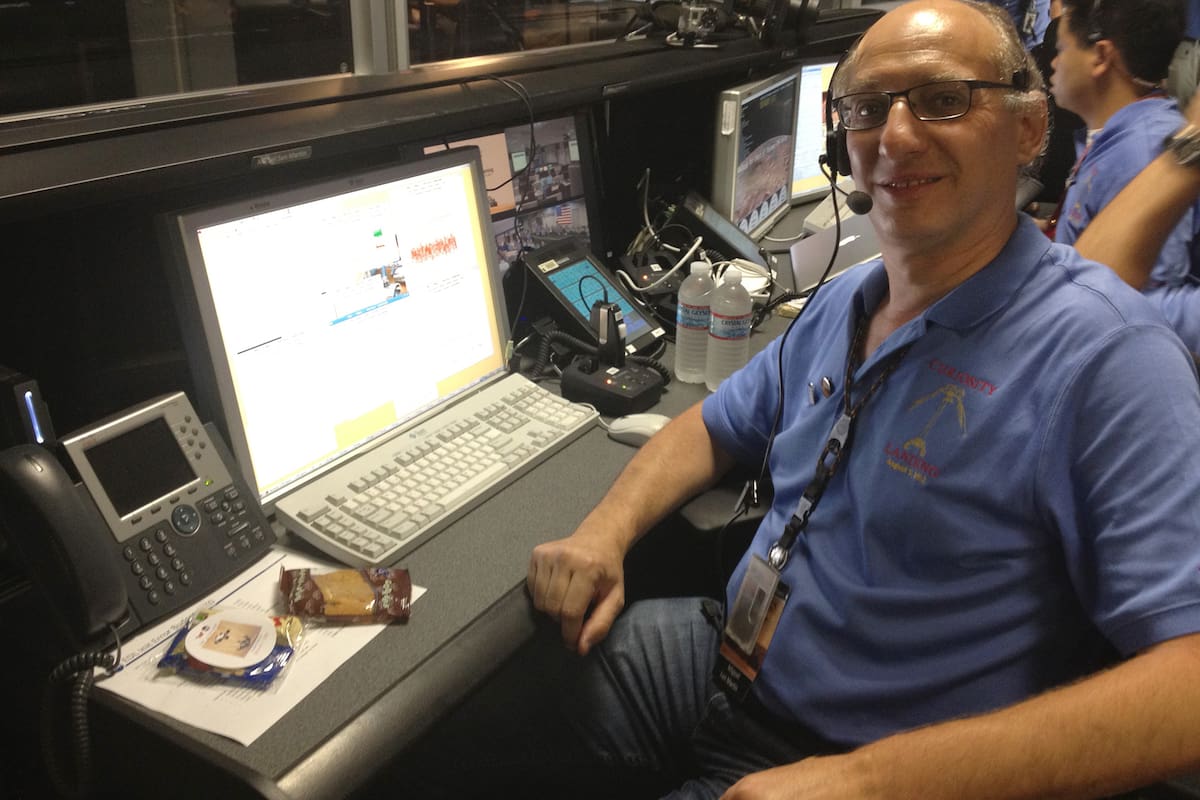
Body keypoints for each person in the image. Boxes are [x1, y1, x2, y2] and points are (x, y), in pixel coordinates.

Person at [525, 0, 1200, 797]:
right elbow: (710, 425)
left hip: (864, 759)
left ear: (1025, 130)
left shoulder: (1108, 357)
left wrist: (869, 782)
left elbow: (1186, 688)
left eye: (944, 99)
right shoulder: (850, 298)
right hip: (730, 663)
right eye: (869, 108)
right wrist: (604, 533)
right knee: (495, 709)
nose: (898, 136)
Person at [1047, 0, 1193, 273]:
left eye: (1062, 49)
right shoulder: (1114, 134)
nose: (1053, 64)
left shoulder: (1143, 154)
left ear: (1101, 57)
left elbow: (1146, 301)